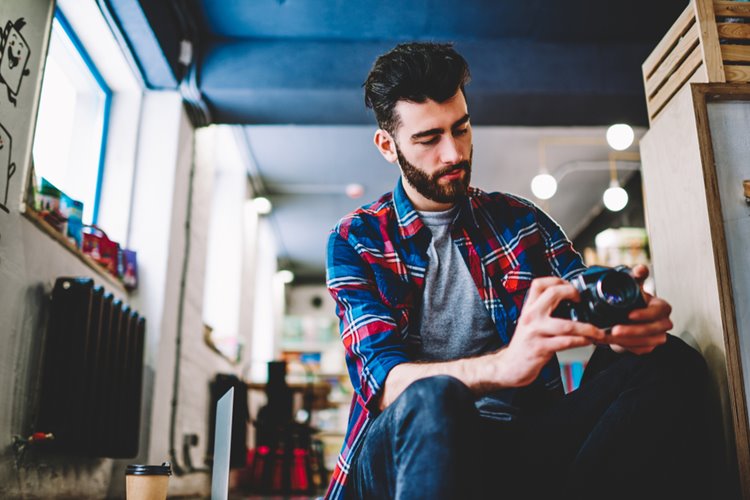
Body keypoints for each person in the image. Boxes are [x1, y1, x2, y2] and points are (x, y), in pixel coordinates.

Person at [325, 42, 711, 500]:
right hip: (401, 452)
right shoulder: (357, 239)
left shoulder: (518, 221)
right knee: (436, 397)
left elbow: (581, 301)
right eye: (429, 139)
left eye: (462, 129)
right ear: (388, 145)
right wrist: (505, 367)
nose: (453, 154)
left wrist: (625, 320)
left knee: (668, 358)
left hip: (516, 444)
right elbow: (385, 382)